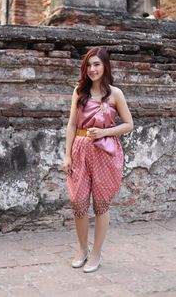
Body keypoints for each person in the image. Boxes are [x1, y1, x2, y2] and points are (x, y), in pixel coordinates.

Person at [63, 47, 134, 273]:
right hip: (80, 150)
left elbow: (129, 124)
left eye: (97, 64)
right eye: (89, 65)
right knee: (78, 202)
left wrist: (104, 132)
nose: (93, 69)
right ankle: (82, 249)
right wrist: (67, 155)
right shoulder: (79, 91)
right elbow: (72, 124)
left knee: (101, 204)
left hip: (105, 151)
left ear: (105, 66)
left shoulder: (115, 94)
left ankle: (96, 253)